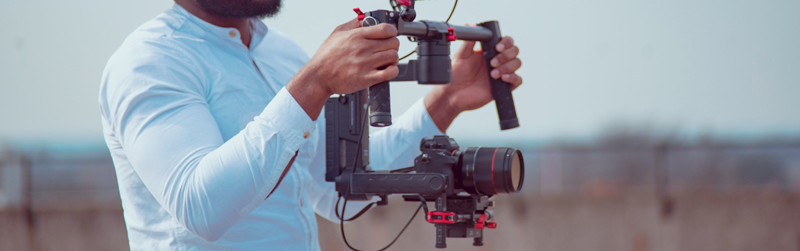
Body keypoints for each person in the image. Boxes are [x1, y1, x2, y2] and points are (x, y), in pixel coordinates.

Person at [98, 0, 523, 249]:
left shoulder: (278, 51)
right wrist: (316, 81)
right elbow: (201, 206)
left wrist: (448, 98)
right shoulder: (151, 60)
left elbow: (339, 190)